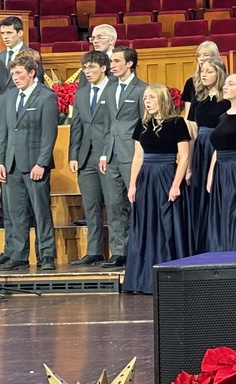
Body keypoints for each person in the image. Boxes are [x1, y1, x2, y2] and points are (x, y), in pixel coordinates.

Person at [122, 84, 191, 294]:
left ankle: (171, 278)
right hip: (147, 179)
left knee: (168, 226)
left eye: (151, 97)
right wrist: (132, 184)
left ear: (162, 99)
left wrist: (176, 185)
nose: (147, 101)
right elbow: (138, 157)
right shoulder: (142, 124)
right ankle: (142, 279)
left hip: (167, 175)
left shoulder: (177, 123)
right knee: (145, 227)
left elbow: (185, 156)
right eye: (145, 98)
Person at [0, 52, 58, 270]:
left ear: (32, 73)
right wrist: (1, 161)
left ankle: (46, 255)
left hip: (35, 164)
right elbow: (4, 132)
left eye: (19, 73)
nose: (15, 77)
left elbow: (49, 133)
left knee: (41, 211)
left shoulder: (46, 96)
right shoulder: (7, 97)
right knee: (14, 212)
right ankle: (18, 254)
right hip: (11, 163)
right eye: (12, 73)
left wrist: (42, 163)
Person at [100, 46, 147, 267]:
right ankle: (119, 251)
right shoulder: (109, 89)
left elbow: (144, 125)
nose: (113, 65)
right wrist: (103, 153)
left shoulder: (141, 89)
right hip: (112, 154)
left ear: (129, 63)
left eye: (117, 61)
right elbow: (108, 124)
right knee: (114, 204)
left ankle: (140, 249)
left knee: (135, 203)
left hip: (133, 154)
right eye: (112, 61)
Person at [67, 50, 114, 265]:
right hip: (86, 157)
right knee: (91, 206)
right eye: (85, 68)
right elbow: (76, 125)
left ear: (103, 68)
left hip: (109, 156)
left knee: (114, 206)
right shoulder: (82, 94)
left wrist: (107, 152)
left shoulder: (114, 90)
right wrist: (73, 154)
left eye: (92, 67)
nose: (88, 71)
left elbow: (114, 126)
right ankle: (94, 251)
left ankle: (118, 252)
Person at [184, 57, 229, 252]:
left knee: (214, 191)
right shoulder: (199, 98)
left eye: (209, 71)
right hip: (200, 148)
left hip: (218, 147)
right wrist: (189, 164)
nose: (203, 74)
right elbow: (192, 130)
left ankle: (217, 240)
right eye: (202, 70)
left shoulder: (226, 100)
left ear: (219, 74)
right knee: (199, 193)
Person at [205, 73, 236, 252]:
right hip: (221, 172)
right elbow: (217, 149)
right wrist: (211, 176)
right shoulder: (223, 116)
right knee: (221, 216)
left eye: (231, 84)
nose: (225, 86)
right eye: (225, 83)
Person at [179, 41, 221, 120]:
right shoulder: (191, 82)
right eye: (199, 55)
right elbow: (188, 115)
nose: (201, 59)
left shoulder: (225, 82)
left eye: (206, 55)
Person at [0, 16, 43, 92]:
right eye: (2, 33)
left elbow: (38, 84)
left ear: (20, 33)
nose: (5, 37)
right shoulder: (1, 56)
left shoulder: (31, 55)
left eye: (9, 33)